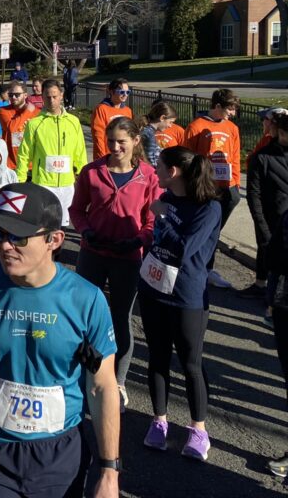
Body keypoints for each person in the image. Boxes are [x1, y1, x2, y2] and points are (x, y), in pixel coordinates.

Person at [0, 183, 121, 497]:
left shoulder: (86, 300)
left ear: (54, 239)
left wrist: (109, 470)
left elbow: (102, 385)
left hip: (58, 454)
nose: (6, 246)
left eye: (19, 236)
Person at [70, 117, 161, 411]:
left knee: (120, 318)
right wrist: (85, 230)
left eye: (121, 141)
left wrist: (139, 240)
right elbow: (76, 209)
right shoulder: (92, 172)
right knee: (84, 316)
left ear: (136, 140)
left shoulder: (148, 175)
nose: (115, 147)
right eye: (111, 141)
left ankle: (118, 381)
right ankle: (81, 375)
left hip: (128, 257)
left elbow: (152, 217)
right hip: (93, 252)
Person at [139, 147, 221, 460]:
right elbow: (156, 238)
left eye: (158, 166)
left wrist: (161, 215)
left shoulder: (207, 208)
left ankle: (198, 429)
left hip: (186, 296)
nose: (154, 170)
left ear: (174, 172)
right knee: (157, 358)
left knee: (190, 364)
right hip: (153, 288)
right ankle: (159, 421)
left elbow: (186, 248)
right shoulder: (168, 198)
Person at [183, 88, 241, 289]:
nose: (232, 113)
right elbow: (187, 157)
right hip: (204, 186)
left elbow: (234, 155)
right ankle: (198, 267)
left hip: (226, 186)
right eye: (229, 109)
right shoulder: (197, 126)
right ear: (217, 106)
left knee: (214, 230)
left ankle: (208, 268)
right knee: (202, 228)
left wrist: (235, 182)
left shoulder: (232, 128)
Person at [15, 79, 87, 227]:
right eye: (48, 97)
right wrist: (20, 180)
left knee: (62, 227)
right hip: (43, 184)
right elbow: (24, 154)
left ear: (61, 95)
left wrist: (83, 176)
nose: (52, 100)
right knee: (45, 226)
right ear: (42, 97)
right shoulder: (35, 123)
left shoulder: (73, 122)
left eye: (55, 96)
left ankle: (58, 250)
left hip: (67, 184)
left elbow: (80, 151)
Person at [245, 112, 288, 311]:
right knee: (276, 276)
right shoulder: (262, 158)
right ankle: (272, 309)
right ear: (280, 133)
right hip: (274, 224)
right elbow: (254, 196)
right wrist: (262, 229)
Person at [0, 81, 39, 170]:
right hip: (11, 163)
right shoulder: (3, 110)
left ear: (25, 95)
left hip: (31, 164)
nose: (13, 97)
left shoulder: (36, 112)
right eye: (10, 95)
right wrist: (27, 112)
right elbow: (11, 128)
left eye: (17, 95)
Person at [91, 78, 133, 161]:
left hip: (123, 158)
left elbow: (130, 135)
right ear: (111, 91)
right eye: (121, 92)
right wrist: (103, 158)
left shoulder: (128, 110)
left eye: (127, 92)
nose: (125, 95)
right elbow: (98, 135)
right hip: (106, 156)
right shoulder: (101, 109)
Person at [139, 101, 179, 167]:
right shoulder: (149, 135)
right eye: (170, 122)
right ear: (162, 118)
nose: (170, 126)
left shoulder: (148, 131)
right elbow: (152, 162)